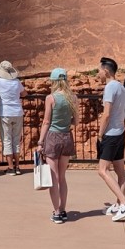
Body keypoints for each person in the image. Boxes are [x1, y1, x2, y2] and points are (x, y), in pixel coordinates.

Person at [96, 57, 125, 221]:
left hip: (111, 134)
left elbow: (106, 114)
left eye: (99, 70)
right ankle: (119, 204)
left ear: (106, 71)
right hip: (120, 132)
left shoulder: (109, 88)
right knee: (120, 173)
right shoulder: (121, 87)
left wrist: (100, 134)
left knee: (102, 170)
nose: (98, 74)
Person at [36, 68, 78, 223]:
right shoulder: (73, 98)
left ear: (54, 81)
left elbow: (46, 121)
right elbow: (76, 121)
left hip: (53, 137)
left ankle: (57, 212)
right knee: (62, 177)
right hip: (67, 136)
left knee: (53, 178)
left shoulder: (51, 98)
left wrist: (40, 142)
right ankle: (64, 209)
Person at [0, 60, 27, 175]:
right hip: (18, 113)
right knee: (16, 140)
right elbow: (24, 94)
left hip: (5, 113)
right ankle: (18, 167)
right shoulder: (16, 82)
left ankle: (11, 168)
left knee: (7, 139)